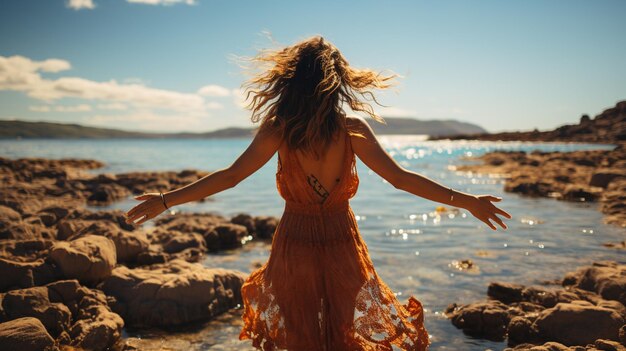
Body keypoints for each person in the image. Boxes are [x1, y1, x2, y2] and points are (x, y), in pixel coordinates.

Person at [124, 35, 511, 351]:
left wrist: (165, 201)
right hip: (342, 238)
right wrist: (468, 202)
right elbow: (401, 179)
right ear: (337, 81)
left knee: (300, 334)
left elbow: (230, 177)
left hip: (295, 238)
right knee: (345, 328)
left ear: (291, 82)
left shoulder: (280, 129)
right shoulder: (352, 128)